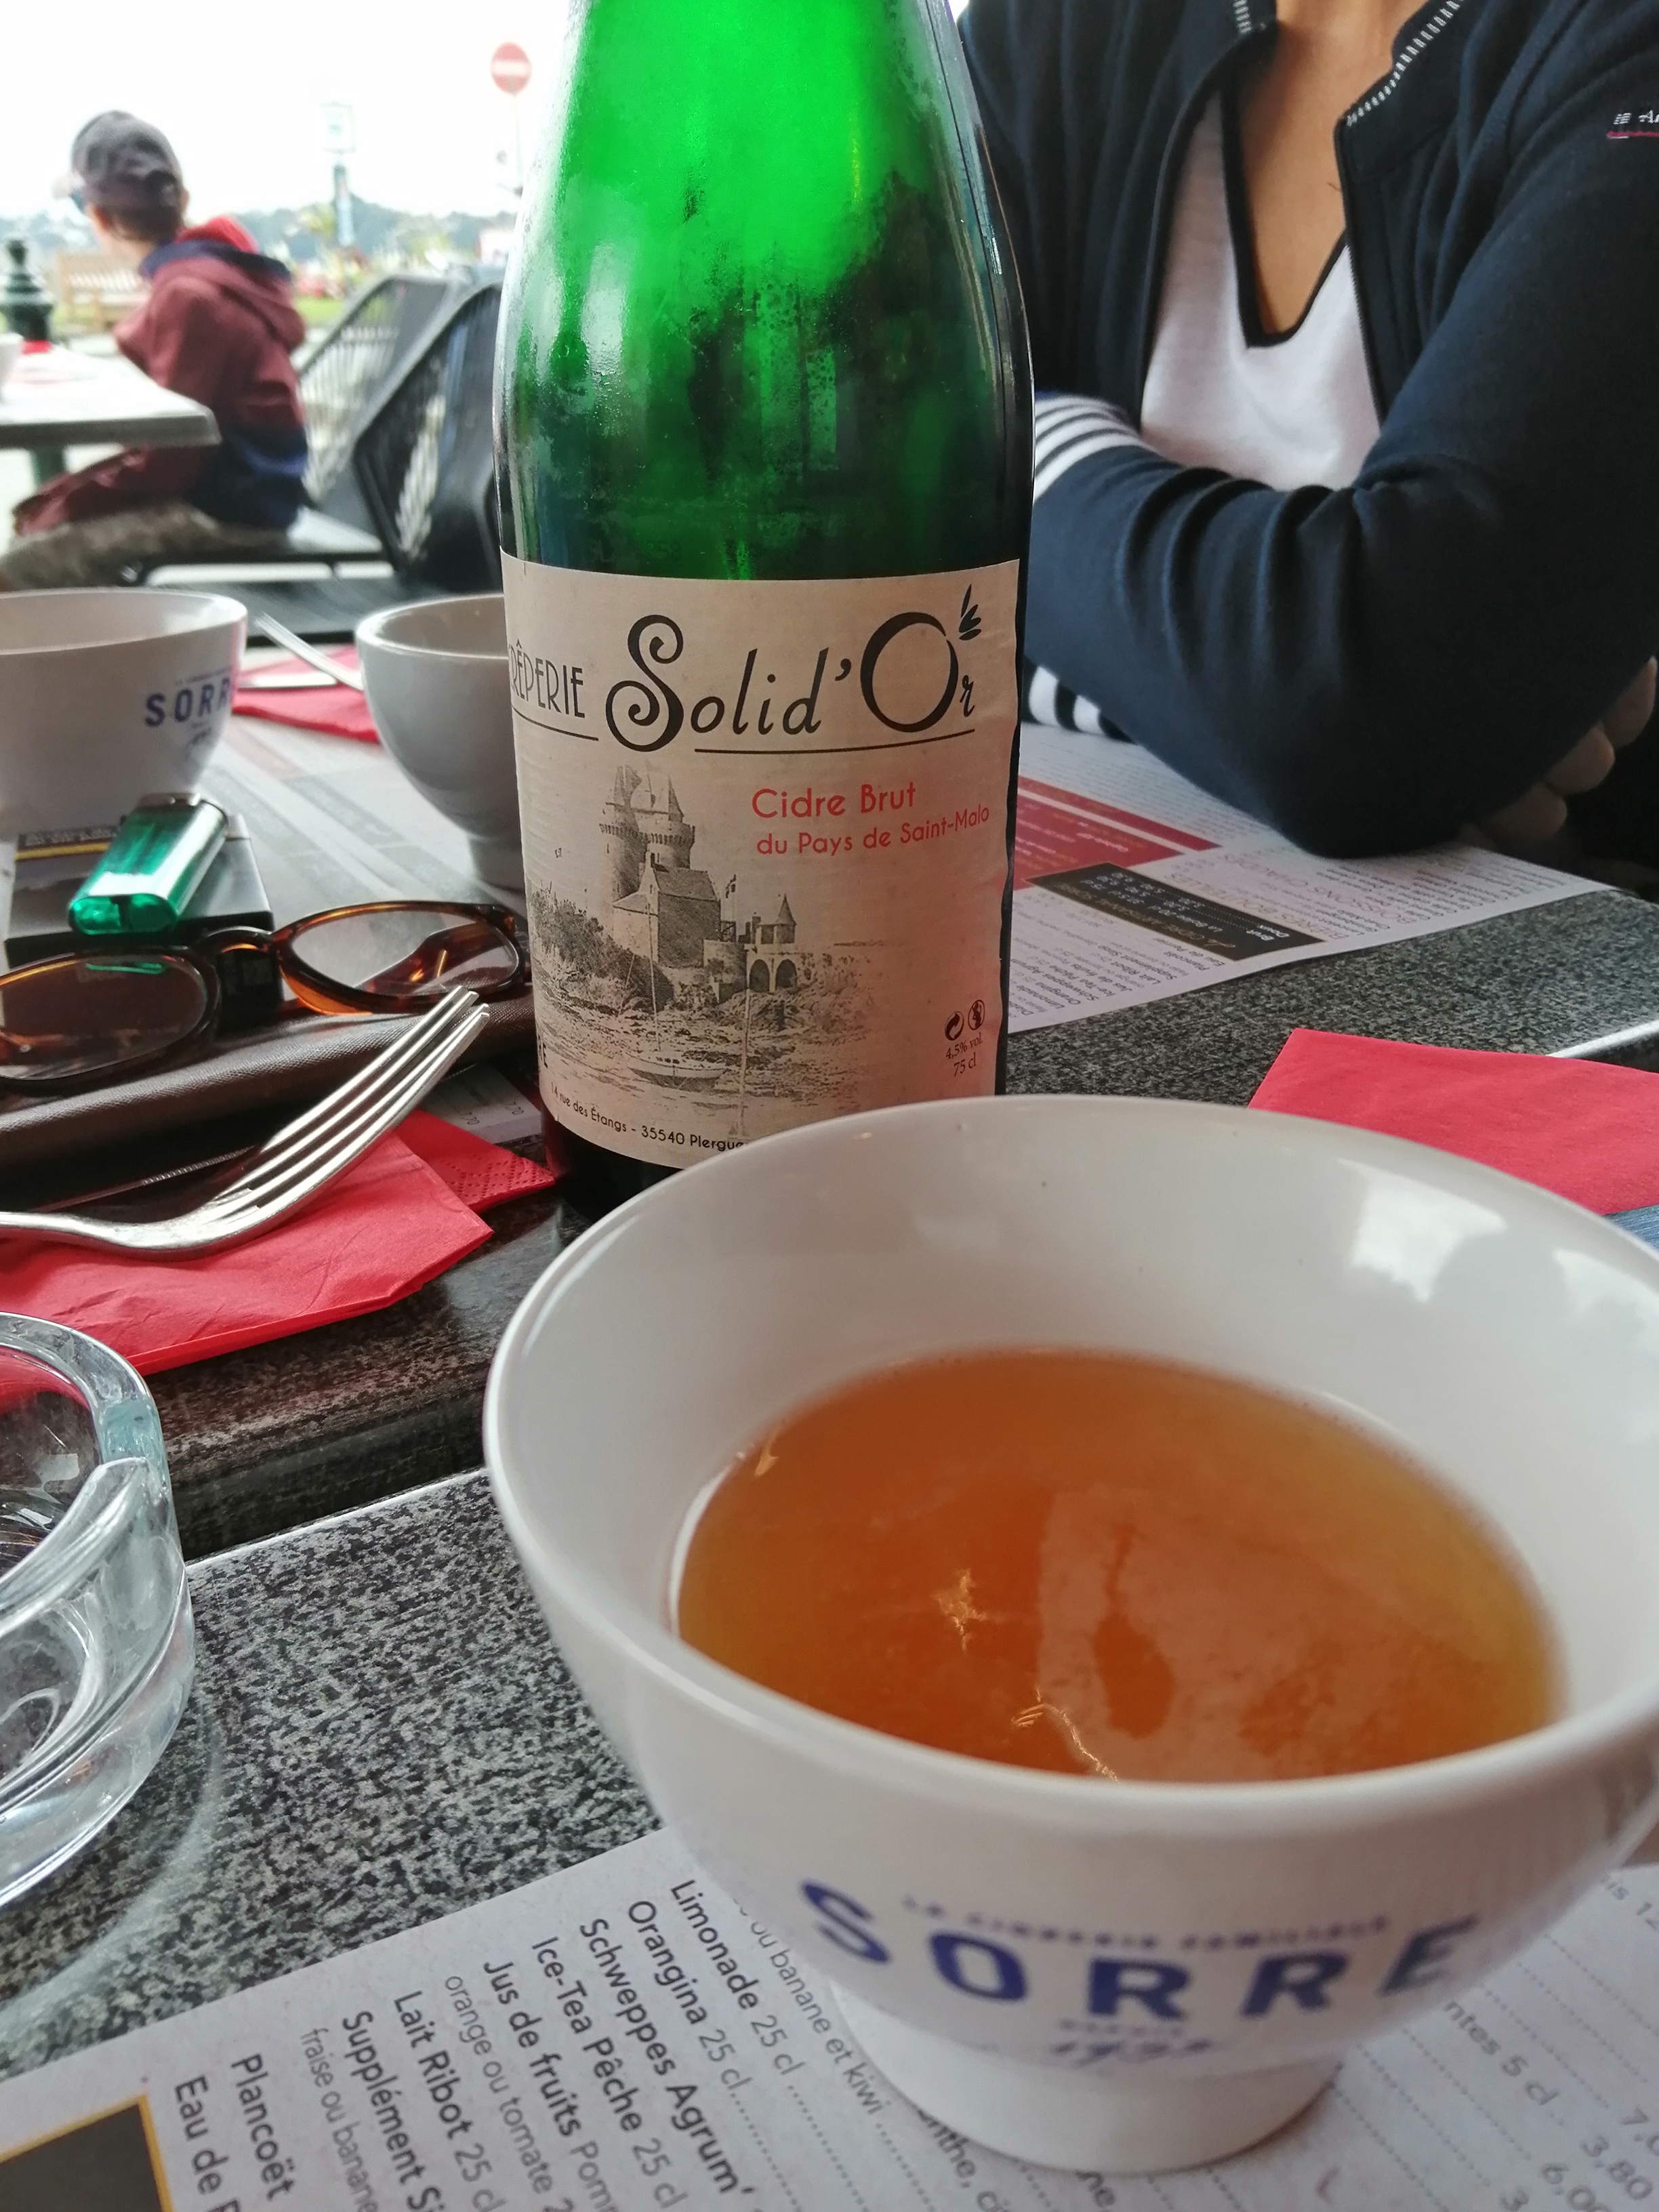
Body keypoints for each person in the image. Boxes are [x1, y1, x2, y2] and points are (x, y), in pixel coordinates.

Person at [960, 0, 1659, 856]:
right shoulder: (1051, 29)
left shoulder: (1625, 55)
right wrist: (1238, 714)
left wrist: (1009, 484)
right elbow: (835, 504)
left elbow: (1360, 702)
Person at [0, 112, 308, 591]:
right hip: (249, 488)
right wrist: (64, 498)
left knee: (22, 566)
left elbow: (170, 461)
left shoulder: (187, 297)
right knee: (39, 516)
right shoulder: (214, 272)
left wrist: (69, 504)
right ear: (182, 200)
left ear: (97, 218)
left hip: (233, 509)